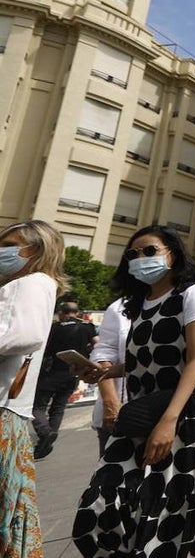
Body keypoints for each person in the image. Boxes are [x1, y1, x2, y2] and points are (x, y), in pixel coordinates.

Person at [72, 226, 195, 557]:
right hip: (147, 407)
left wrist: (169, 421)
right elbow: (146, 359)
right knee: (105, 495)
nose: (140, 259)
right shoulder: (138, 304)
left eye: (150, 251)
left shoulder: (192, 293)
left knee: (179, 491)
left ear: (173, 254)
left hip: (188, 408)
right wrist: (103, 371)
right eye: (132, 254)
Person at [0, 220, 68, 558]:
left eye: (11, 245)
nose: (3, 252)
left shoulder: (30, 282)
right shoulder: (38, 284)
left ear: (37, 251)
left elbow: (21, 334)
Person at [32, 300, 97, 458]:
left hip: (53, 373)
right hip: (73, 373)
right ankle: (47, 440)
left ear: (61, 313)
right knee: (58, 408)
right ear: (77, 312)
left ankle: (46, 433)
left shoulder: (55, 327)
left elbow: (44, 349)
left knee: (36, 407)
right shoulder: (87, 326)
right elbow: (97, 344)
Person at [87, 298, 128, 456]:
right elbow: (104, 352)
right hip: (120, 416)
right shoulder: (118, 308)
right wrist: (111, 404)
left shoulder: (187, 297)